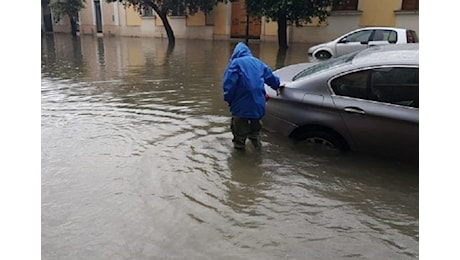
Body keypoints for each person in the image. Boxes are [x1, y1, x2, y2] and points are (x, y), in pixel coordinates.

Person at [223, 42, 284, 150]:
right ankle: (257, 154)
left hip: (240, 107)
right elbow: (271, 78)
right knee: (255, 134)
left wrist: (228, 100)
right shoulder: (258, 63)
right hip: (258, 106)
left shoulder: (235, 64)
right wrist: (277, 85)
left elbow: (229, 85)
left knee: (239, 137)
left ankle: (239, 162)